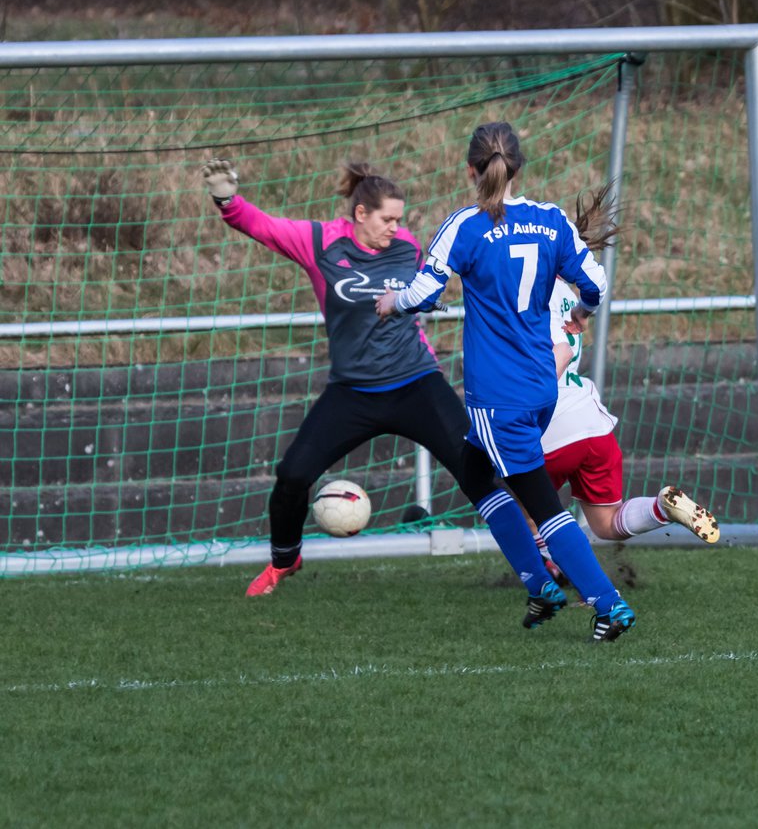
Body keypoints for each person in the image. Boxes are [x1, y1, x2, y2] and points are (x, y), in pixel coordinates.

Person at [200, 157, 551, 602]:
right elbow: (262, 226)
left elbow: (437, 281)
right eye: (387, 218)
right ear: (360, 214)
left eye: (399, 219)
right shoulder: (320, 242)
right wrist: (227, 201)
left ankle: (540, 557)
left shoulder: (408, 246)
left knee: (481, 471)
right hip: (352, 392)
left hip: (416, 382)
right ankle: (285, 559)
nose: (395, 227)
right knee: (292, 474)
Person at [375, 121, 635, 642]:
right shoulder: (550, 220)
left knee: (539, 502)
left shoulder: (466, 224)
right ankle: (540, 585)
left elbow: (425, 290)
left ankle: (608, 604)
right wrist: (580, 312)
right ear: (518, 167)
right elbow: (596, 284)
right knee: (474, 471)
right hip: (539, 386)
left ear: (471, 170)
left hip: (499, 397)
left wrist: (392, 302)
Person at [534, 275, 719, 583]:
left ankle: (560, 567)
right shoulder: (567, 292)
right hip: (593, 422)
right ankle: (661, 507)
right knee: (606, 523)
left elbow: (554, 355)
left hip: (550, 420)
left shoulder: (526, 285)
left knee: (520, 505)